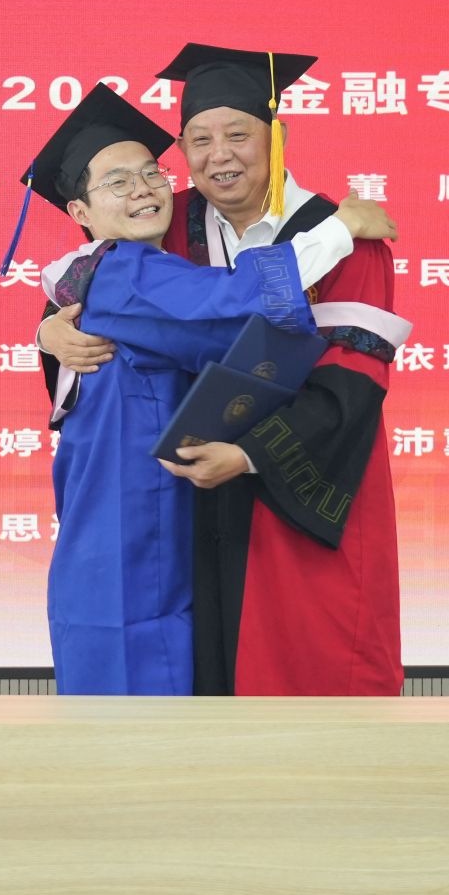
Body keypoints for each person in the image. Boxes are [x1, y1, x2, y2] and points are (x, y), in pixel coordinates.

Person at [39, 45, 411, 697]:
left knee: (307, 672)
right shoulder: (166, 221)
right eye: (199, 139)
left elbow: (351, 382)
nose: (219, 155)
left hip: (293, 492)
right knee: (189, 678)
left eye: (238, 134)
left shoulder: (345, 238)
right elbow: (102, 285)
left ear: (276, 136)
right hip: (187, 507)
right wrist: (50, 330)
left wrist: (249, 455)